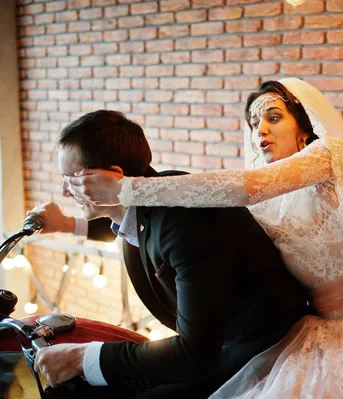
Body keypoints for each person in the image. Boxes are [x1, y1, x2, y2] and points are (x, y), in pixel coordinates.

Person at [66, 79, 343, 398]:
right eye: (252, 123)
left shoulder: (328, 156)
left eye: (272, 117)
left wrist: (127, 187)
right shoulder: (265, 197)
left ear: (303, 125)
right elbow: (205, 214)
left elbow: (244, 186)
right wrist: (72, 224)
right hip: (311, 328)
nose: (259, 130)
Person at [29, 110, 313, 398]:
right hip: (208, 347)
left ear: (112, 178)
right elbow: (128, 226)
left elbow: (196, 356)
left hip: (252, 351)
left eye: (71, 179)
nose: (65, 191)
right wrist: (67, 225)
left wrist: (82, 357)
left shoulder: (185, 224)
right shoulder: (152, 195)